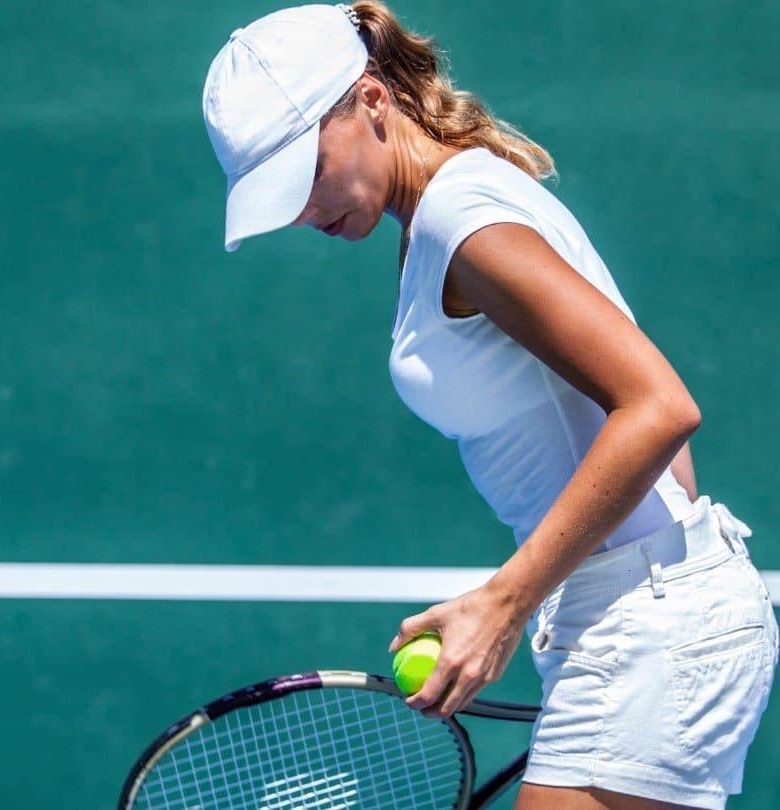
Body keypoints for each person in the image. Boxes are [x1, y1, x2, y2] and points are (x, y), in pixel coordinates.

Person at [201, 3, 778, 808]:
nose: (300, 209)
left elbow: (659, 407)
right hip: (637, 613)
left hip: (646, 622)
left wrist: (509, 602)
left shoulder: (465, 220)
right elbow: (654, 457)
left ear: (372, 102)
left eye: (304, 172)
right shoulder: (452, 209)